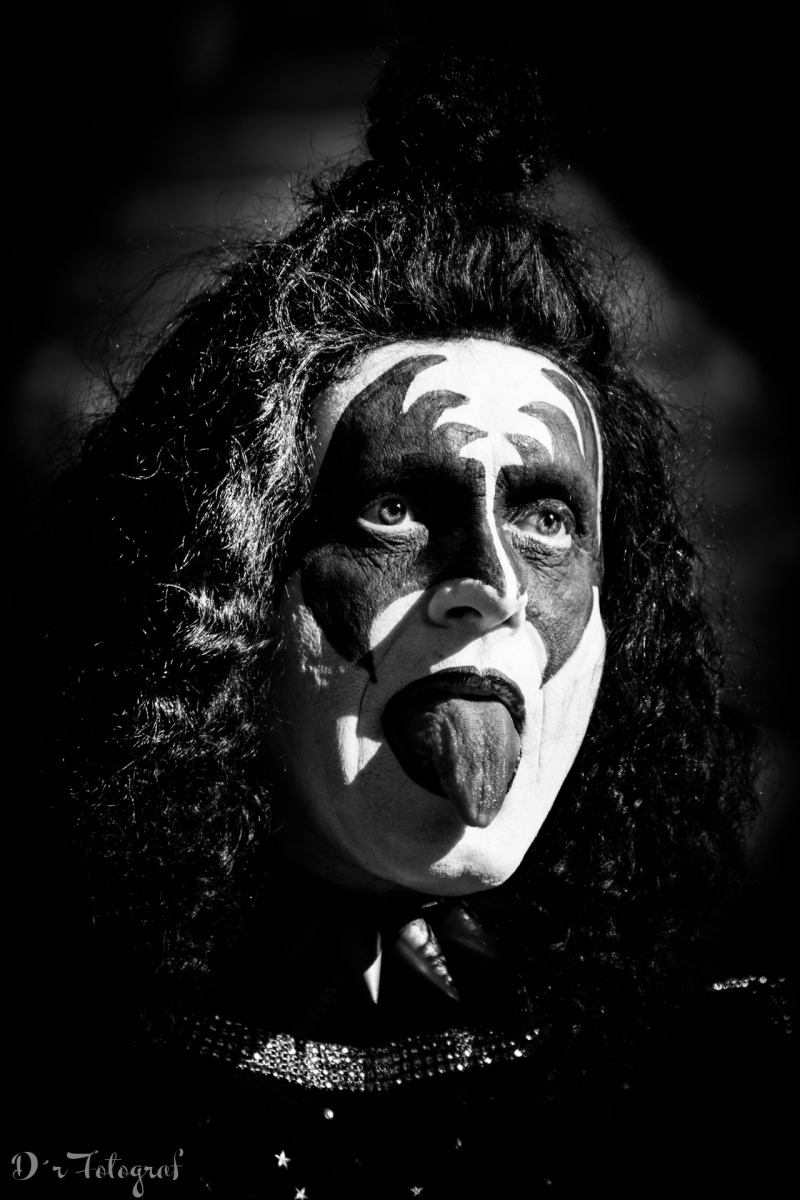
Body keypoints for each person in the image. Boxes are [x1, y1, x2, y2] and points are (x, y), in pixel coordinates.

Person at [13, 41, 793, 1199]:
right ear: (233, 587)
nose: (487, 585)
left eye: (545, 518)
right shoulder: (52, 1075)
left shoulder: (732, 1089)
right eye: (393, 509)